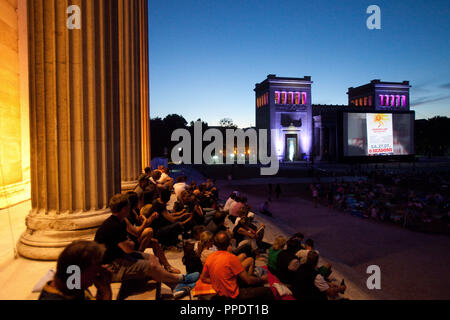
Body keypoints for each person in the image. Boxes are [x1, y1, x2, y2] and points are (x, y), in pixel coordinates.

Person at [94, 194, 189, 289]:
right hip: (111, 266)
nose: (130, 207)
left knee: (153, 258)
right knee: (151, 266)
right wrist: (130, 241)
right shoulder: (113, 226)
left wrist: (129, 241)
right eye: (128, 206)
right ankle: (181, 279)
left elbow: (129, 242)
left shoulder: (121, 221)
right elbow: (129, 248)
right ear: (124, 208)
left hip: (120, 256)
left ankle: (175, 285)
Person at [199, 231, 273, 300]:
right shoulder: (231, 258)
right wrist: (262, 279)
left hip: (223, 288)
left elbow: (203, 278)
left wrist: (218, 281)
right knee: (268, 291)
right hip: (232, 294)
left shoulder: (210, 257)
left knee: (245, 259)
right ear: (228, 243)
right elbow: (248, 280)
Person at [39, 240, 112, 300]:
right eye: (94, 270)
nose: (98, 273)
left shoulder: (74, 287)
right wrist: (106, 292)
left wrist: (103, 288)